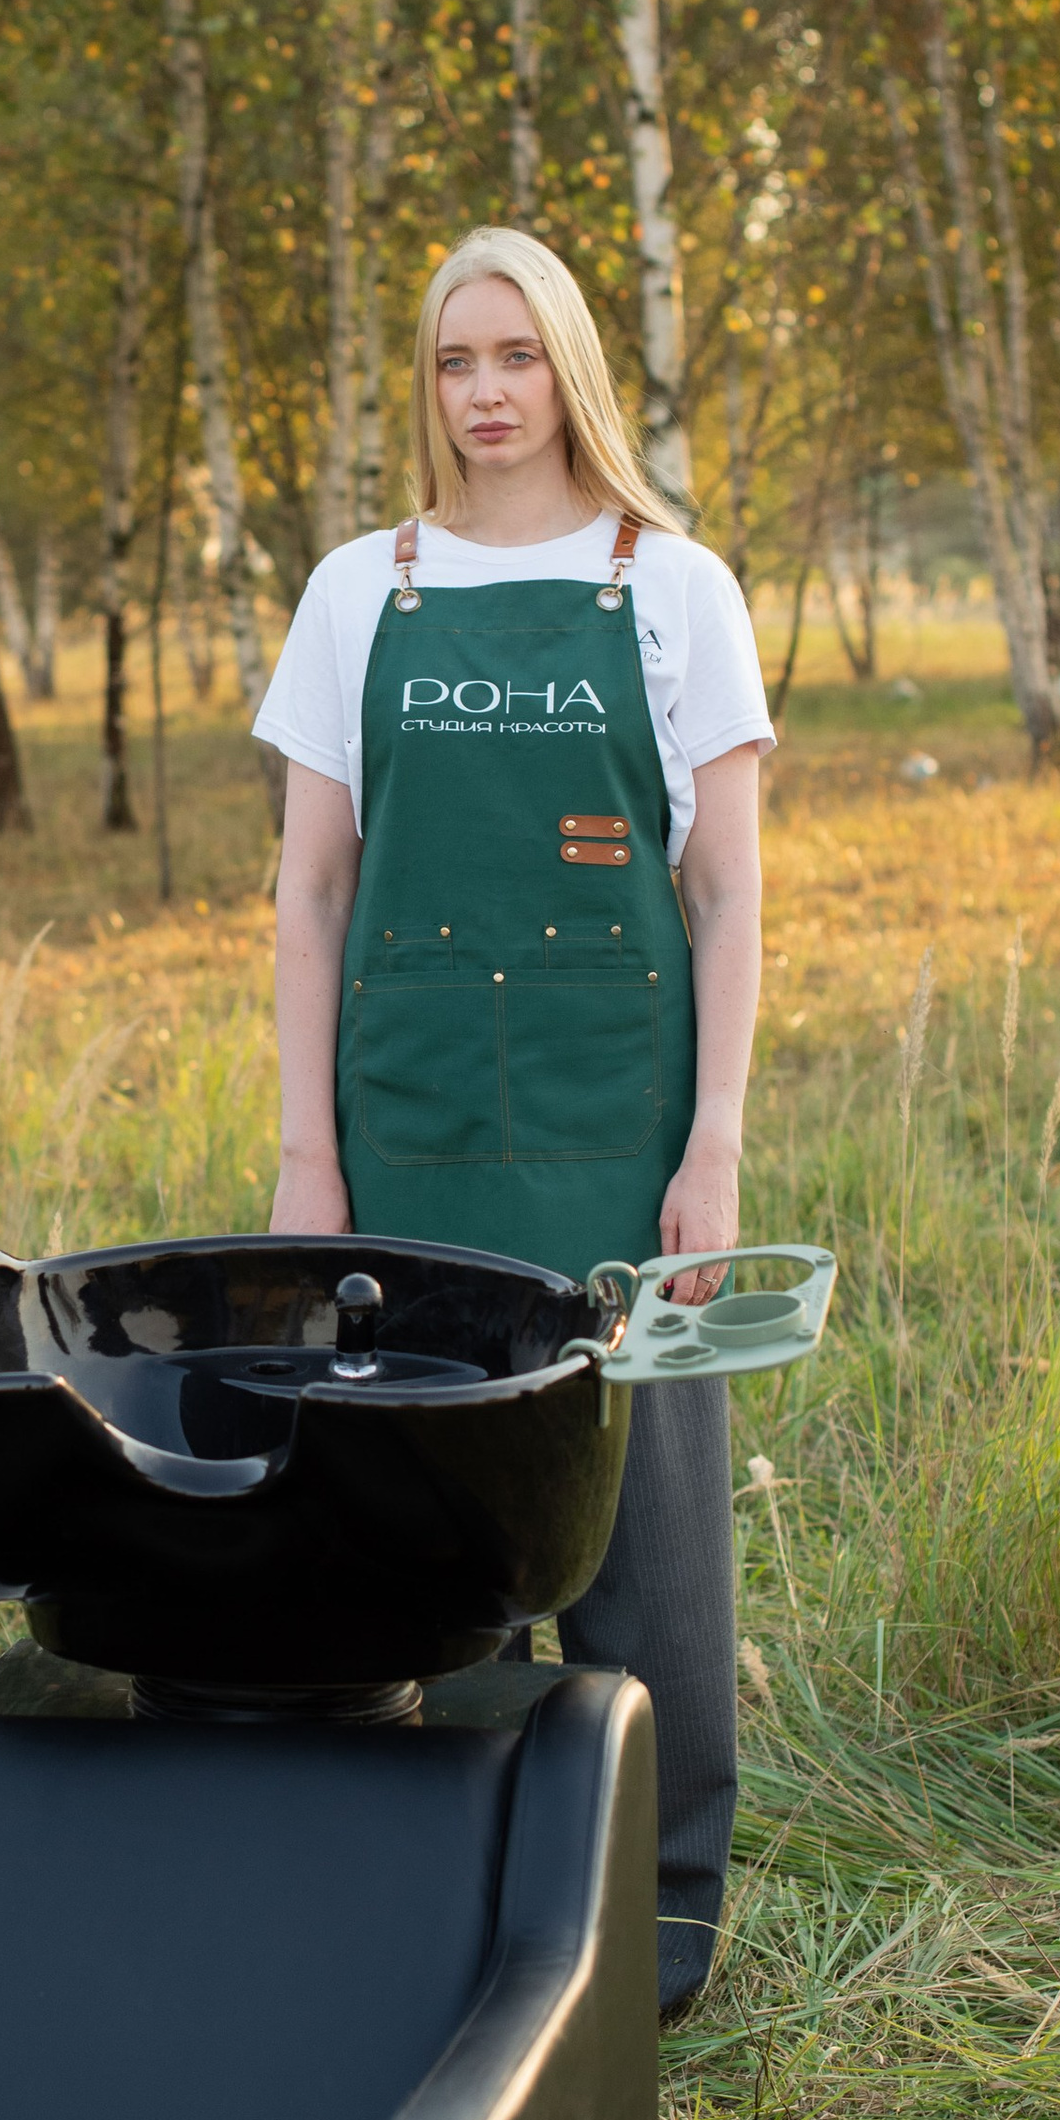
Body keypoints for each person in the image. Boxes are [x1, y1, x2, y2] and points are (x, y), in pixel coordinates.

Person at [254, 225, 772, 2016]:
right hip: (399, 1137)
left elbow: (725, 898)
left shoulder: (675, 586)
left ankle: (659, 1927)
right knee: (416, 1529)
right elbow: (311, 898)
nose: (486, 395)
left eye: (518, 357)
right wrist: (310, 1158)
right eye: (457, 362)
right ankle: (435, 1906)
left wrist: (710, 1144)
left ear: (572, 370)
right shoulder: (357, 591)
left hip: (614, 1128)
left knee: (651, 1551)